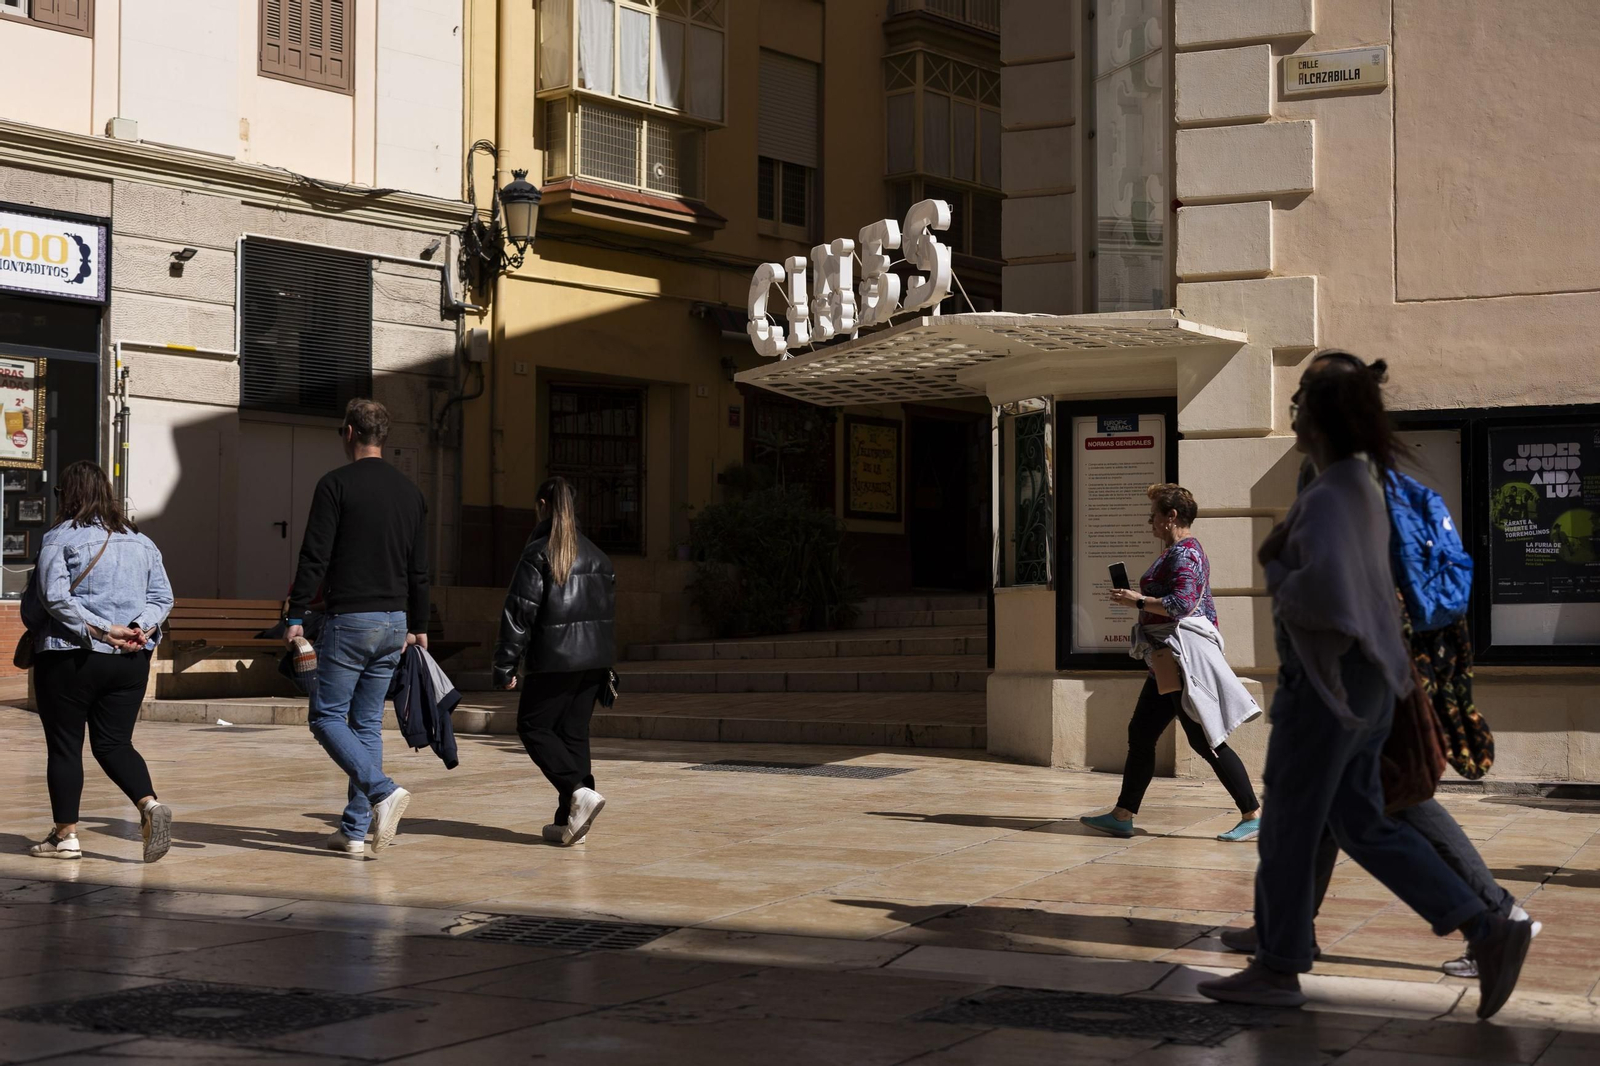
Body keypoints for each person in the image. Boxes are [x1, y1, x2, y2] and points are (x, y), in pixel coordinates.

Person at [1198, 353, 1531, 1020]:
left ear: (1317, 419)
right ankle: (1484, 924)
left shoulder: (1333, 494)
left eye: (1298, 405)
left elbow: (1329, 596)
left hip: (1331, 683)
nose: (1291, 415)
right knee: (1362, 820)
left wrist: (1281, 575)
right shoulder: (1359, 483)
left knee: (1290, 825)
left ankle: (1278, 967)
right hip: (1373, 677)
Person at [1080, 484, 1262, 843]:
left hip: (1179, 661)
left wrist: (1137, 601)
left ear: (1171, 516)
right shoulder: (1177, 553)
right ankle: (1122, 815)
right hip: (1164, 660)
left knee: (1204, 739)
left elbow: (1182, 604)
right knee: (1142, 733)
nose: (1151, 522)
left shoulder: (1186, 554)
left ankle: (1253, 814)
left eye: (1154, 515)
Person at [286, 398, 428, 858]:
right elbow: (419, 569)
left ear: (349, 432)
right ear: (382, 437)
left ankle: (382, 791)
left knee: (325, 716)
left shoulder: (335, 485)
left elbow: (315, 554)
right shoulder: (411, 493)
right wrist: (419, 625)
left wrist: (294, 615)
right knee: (366, 723)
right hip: (395, 623)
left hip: (352, 620)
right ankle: (353, 829)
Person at [22, 461, 174, 863]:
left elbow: (54, 598)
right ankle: (149, 806)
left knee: (66, 747)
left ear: (67, 495)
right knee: (114, 743)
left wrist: (102, 629)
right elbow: (163, 598)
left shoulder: (59, 537)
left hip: (70, 656)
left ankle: (65, 837)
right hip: (130, 661)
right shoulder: (141, 541)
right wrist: (137, 628)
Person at [493, 476, 616, 846]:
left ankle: (577, 792)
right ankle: (568, 821)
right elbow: (607, 618)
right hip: (594, 663)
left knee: (533, 727)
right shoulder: (599, 556)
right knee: (573, 735)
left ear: (542, 507)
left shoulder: (538, 552)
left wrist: (505, 665)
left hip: (554, 661)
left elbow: (519, 612)